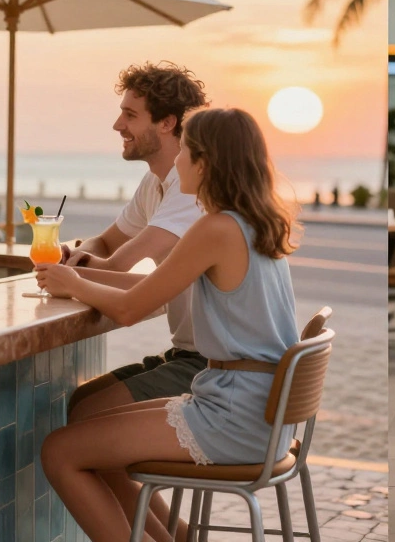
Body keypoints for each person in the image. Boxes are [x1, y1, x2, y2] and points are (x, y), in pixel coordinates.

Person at [35, 107, 300, 542]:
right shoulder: (257, 223)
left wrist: (75, 282)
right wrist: (79, 280)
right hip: (259, 408)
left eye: (186, 151)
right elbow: (150, 288)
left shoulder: (215, 228)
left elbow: (129, 309)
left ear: (205, 162)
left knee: (59, 452)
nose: (177, 160)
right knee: (90, 430)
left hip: (236, 414)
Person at [60, 61, 210, 420]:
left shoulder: (189, 190)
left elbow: (115, 267)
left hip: (210, 366)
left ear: (167, 122)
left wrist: (72, 272)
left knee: (87, 413)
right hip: (189, 355)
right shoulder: (155, 183)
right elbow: (105, 243)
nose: (118, 125)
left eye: (130, 115)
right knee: (80, 402)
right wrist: (81, 256)